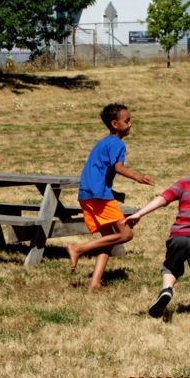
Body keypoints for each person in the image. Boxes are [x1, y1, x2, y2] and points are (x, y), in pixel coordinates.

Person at [122, 146, 190, 328]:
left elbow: (163, 199)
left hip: (179, 236)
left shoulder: (184, 183)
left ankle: (167, 289)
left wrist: (139, 213)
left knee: (171, 267)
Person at [67, 103, 156, 292]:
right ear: (115, 124)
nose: (130, 124)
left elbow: (97, 173)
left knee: (109, 238)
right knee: (126, 234)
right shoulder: (117, 143)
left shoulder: (103, 143)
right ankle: (78, 249)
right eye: (127, 121)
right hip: (98, 196)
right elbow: (118, 167)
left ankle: (94, 283)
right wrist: (138, 177)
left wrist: (113, 193)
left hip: (87, 195)